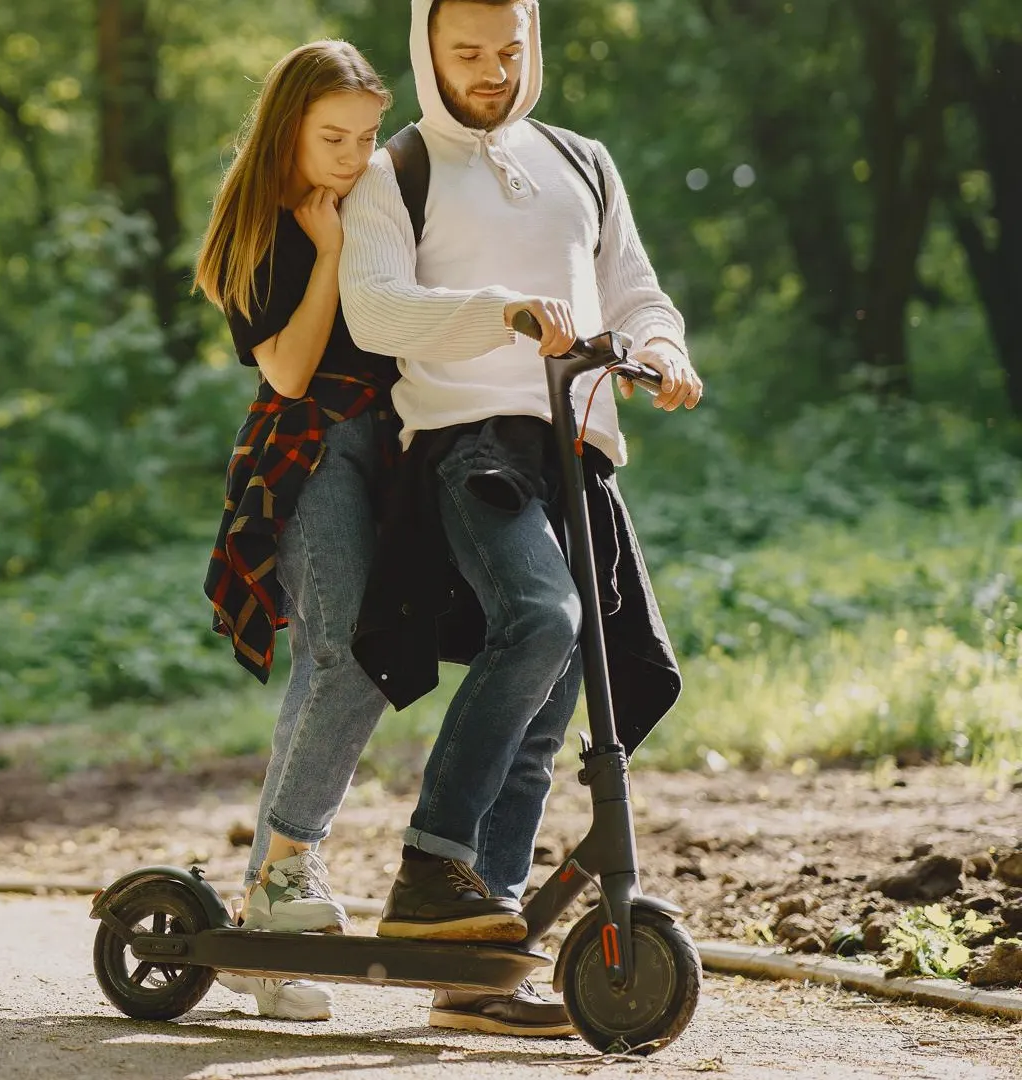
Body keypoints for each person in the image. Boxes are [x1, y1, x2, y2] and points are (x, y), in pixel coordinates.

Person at [336, 0, 703, 1037]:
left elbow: (634, 289)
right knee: (541, 621)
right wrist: (496, 309)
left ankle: (475, 953)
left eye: (510, 50)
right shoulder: (395, 170)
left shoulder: (583, 160)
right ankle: (431, 868)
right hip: (470, 444)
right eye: (467, 54)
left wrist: (662, 348)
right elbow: (376, 308)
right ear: (427, 49)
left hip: (575, 448)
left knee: (560, 695)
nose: (493, 71)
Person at [194, 39, 396, 1022]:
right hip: (305, 452)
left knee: (335, 660)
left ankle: (263, 915)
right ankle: (281, 886)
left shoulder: (374, 200)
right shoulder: (265, 229)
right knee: (345, 654)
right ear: (287, 128)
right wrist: (324, 254)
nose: (355, 156)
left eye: (366, 136)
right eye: (333, 137)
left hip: (389, 449)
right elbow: (289, 370)